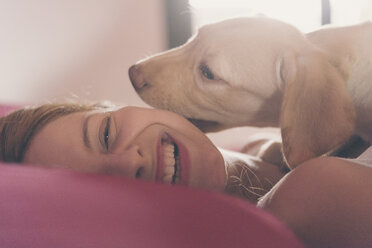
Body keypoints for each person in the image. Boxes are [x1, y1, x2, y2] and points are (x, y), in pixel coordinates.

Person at [1, 102, 372, 248]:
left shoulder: (266, 143)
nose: (130, 163)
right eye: (104, 188)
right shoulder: (309, 195)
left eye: (106, 134)